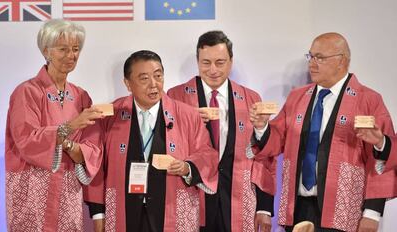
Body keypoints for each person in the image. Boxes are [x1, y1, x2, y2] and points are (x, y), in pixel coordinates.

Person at [250, 32, 396, 232]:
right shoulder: (297, 97)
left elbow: (381, 161)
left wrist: (372, 213)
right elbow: (275, 142)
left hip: (343, 212)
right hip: (298, 206)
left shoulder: (368, 99)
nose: (312, 63)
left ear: (341, 61)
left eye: (320, 58)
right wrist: (261, 127)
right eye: (310, 56)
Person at [83, 50, 218, 232]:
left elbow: (207, 153)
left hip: (171, 209)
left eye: (158, 75)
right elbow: (96, 164)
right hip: (124, 210)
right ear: (128, 84)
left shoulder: (187, 115)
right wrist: (98, 213)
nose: (154, 85)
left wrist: (187, 168)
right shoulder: (111, 115)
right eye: (144, 78)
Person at [167, 30, 275, 232]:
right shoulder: (176, 97)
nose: (213, 70)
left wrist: (264, 207)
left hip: (238, 199)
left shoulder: (251, 98)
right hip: (191, 195)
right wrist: (189, 124)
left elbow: (264, 157)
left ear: (231, 61)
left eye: (220, 62)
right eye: (206, 63)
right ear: (197, 61)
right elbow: (168, 147)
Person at [5, 19, 103, 231]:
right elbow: (26, 140)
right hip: (32, 188)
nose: (71, 55)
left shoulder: (81, 96)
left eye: (76, 49)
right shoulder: (27, 91)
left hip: (68, 189)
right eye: (63, 49)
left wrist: (69, 146)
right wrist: (69, 127)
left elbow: (91, 149)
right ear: (46, 51)